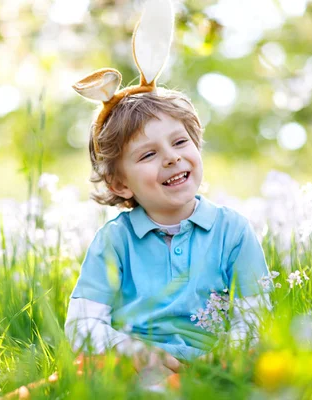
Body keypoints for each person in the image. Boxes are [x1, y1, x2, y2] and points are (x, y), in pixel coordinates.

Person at [64, 0, 272, 389]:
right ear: (120, 184)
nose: (172, 158)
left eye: (180, 141)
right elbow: (82, 326)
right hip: (131, 366)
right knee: (70, 381)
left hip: (211, 371)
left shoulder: (233, 232)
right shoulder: (115, 241)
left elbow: (255, 317)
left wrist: (221, 357)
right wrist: (136, 351)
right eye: (148, 154)